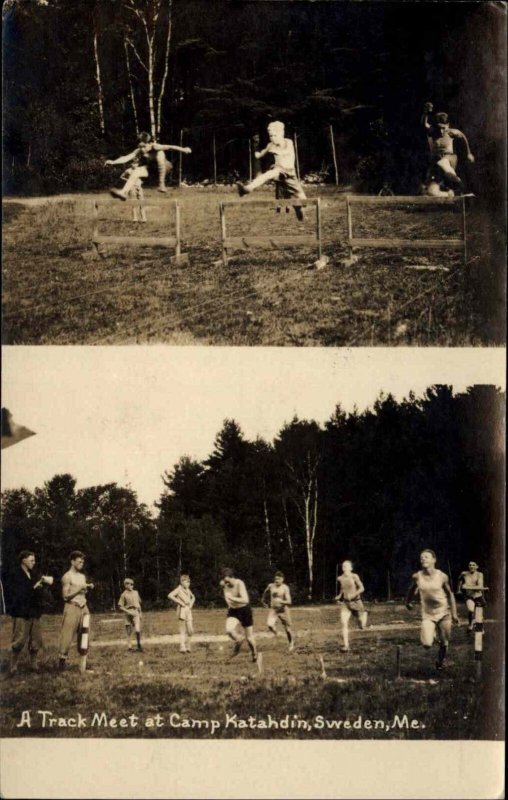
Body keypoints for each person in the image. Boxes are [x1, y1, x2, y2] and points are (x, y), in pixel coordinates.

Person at [236, 121, 307, 221]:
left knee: (302, 201)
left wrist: (276, 151)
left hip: (290, 174)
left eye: (275, 135)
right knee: (269, 173)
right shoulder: (270, 145)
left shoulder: (288, 142)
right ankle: (247, 189)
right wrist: (255, 145)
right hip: (279, 172)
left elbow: (285, 152)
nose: (272, 138)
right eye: (270, 136)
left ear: (281, 133)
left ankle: (299, 211)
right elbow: (259, 155)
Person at [406, 548, 459, 671]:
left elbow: (450, 594)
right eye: (421, 557)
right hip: (428, 614)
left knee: (444, 643)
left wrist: (454, 614)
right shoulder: (417, 576)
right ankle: (432, 632)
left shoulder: (442, 576)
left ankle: (440, 662)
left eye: (426, 556)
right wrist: (408, 602)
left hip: (444, 612)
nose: (423, 558)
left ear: (434, 560)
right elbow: (410, 590)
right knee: (426, 644)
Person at [105, 132, 192, 198]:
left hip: (166, 167)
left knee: (160, 154)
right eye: (140, 147)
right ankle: (123, 192)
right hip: (153, 170)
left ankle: (162, 184)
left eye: (144, 146)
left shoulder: (154, 146)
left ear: (148, 143)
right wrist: (113, 162)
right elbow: (127, 157)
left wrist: (183, 149)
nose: (142, 149)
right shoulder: (139, 151)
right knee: (136, 171)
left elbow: (170, 147)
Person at [6, 550, 50, 675]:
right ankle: (13, 667)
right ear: (23, 560)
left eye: (34, 560)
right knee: (19, 639)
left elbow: (36, 592)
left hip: (34, 612)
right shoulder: (15, 574)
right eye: (31, 560)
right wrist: (34, 588)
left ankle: (34, 664)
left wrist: (41, 586)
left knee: (36, 639)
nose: (34, 563)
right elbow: (17, 594)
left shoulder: (33, 573)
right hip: (21, 612)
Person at [421, 103, 475, 194]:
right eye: (439, 128)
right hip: (436, 159)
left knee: (442, 163)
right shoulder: (432, 131)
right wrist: (426, 113)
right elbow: (424, 124)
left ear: (448, 125)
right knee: (428, 189)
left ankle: (464, 189)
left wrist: (468, 153)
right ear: (435, 126)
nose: (441, 131)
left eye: (443, 128)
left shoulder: (451, 132)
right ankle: (449, 193)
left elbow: (463, 136)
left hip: (449, 158)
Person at [57, 551, 94, 671]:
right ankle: (61, 666)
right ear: (72, 561)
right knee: (67, 636)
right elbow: (65, 596)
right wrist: (79, 589)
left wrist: (88, 587)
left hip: (84, 608)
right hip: (72, 607)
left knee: (85, 636)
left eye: (83, 561)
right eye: (79, 561)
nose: (82, 563)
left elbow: (83, 591)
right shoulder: (67, 576)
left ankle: (82, 667)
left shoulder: (82, 576)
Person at [220, 567, 258, 662]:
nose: (227, 583)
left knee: (249, 638)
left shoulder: (239, 583)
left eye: (228, 581)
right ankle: (238, 640)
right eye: (225, 581)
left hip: (245, 610)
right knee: (229, 630)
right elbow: (226, 593)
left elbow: (245, 600)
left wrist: (232, 598)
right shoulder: (224, 584)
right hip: (233, 611)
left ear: (233, 577)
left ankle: (254, 653)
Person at [335, 560, 368, 652]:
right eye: (343, 566)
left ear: (351, 568)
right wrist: (339, 596)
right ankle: (346, 646)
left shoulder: (354, 576)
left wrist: (353, 595)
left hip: (356, 602)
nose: (344, 567)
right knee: (344, 623)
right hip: (346, 603)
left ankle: (364, 615)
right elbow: (342, 589)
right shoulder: (340, 578)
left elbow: (362, 588)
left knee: (361, 625)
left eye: (346, 566)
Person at [261, 571, 294, 652]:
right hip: (274, 609)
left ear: (282, 579)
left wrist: (281, 601)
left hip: (283, 610)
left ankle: (291, 643)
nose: (276, 581)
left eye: (278, 579)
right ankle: (277, 634)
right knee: (270, 625)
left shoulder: (285, 588)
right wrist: (263, 601)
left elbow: (289, 601)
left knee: (287, 629)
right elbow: (265, 592)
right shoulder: (271, 586)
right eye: (275, 579)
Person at [168, 573, 195, 654]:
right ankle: (182, 647)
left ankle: (188, 645)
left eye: (189, 582)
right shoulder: (179, 589)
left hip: (188, 610)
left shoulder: (188, 589)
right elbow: (170, 595)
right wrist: (180, 602)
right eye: (186, 582)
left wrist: (191, 604)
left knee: (190, 630)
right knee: (182, 630)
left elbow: (193, 597)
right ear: (182, 582)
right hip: (182, 610)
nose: (188, 583)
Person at [457, 561, 485, 632]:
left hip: (478, 596)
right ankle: (470, 624)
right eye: (470, 565)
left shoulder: (479, 574)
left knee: (479, 615)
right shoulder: (464, 574)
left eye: (473, 565)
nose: (471, 566)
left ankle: (480, 628)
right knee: (471, 610)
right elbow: (459, 579)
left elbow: (479, 586)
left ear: (477, 567)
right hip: (469, 596)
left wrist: (466, 586)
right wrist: (459, 588)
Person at [118, 578, 143, 652]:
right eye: (130, 584)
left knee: (138, 629)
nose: (132, 585)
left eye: (132, 584)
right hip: (128, 613)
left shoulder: (136, 592)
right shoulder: (123, 595)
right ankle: (130, 647)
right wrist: (128, 611)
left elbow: (139, 603)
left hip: (136, 612)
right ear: (126, 585)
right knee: (129, 631)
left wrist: (140, 612)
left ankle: (139, 646)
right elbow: (120, 606)